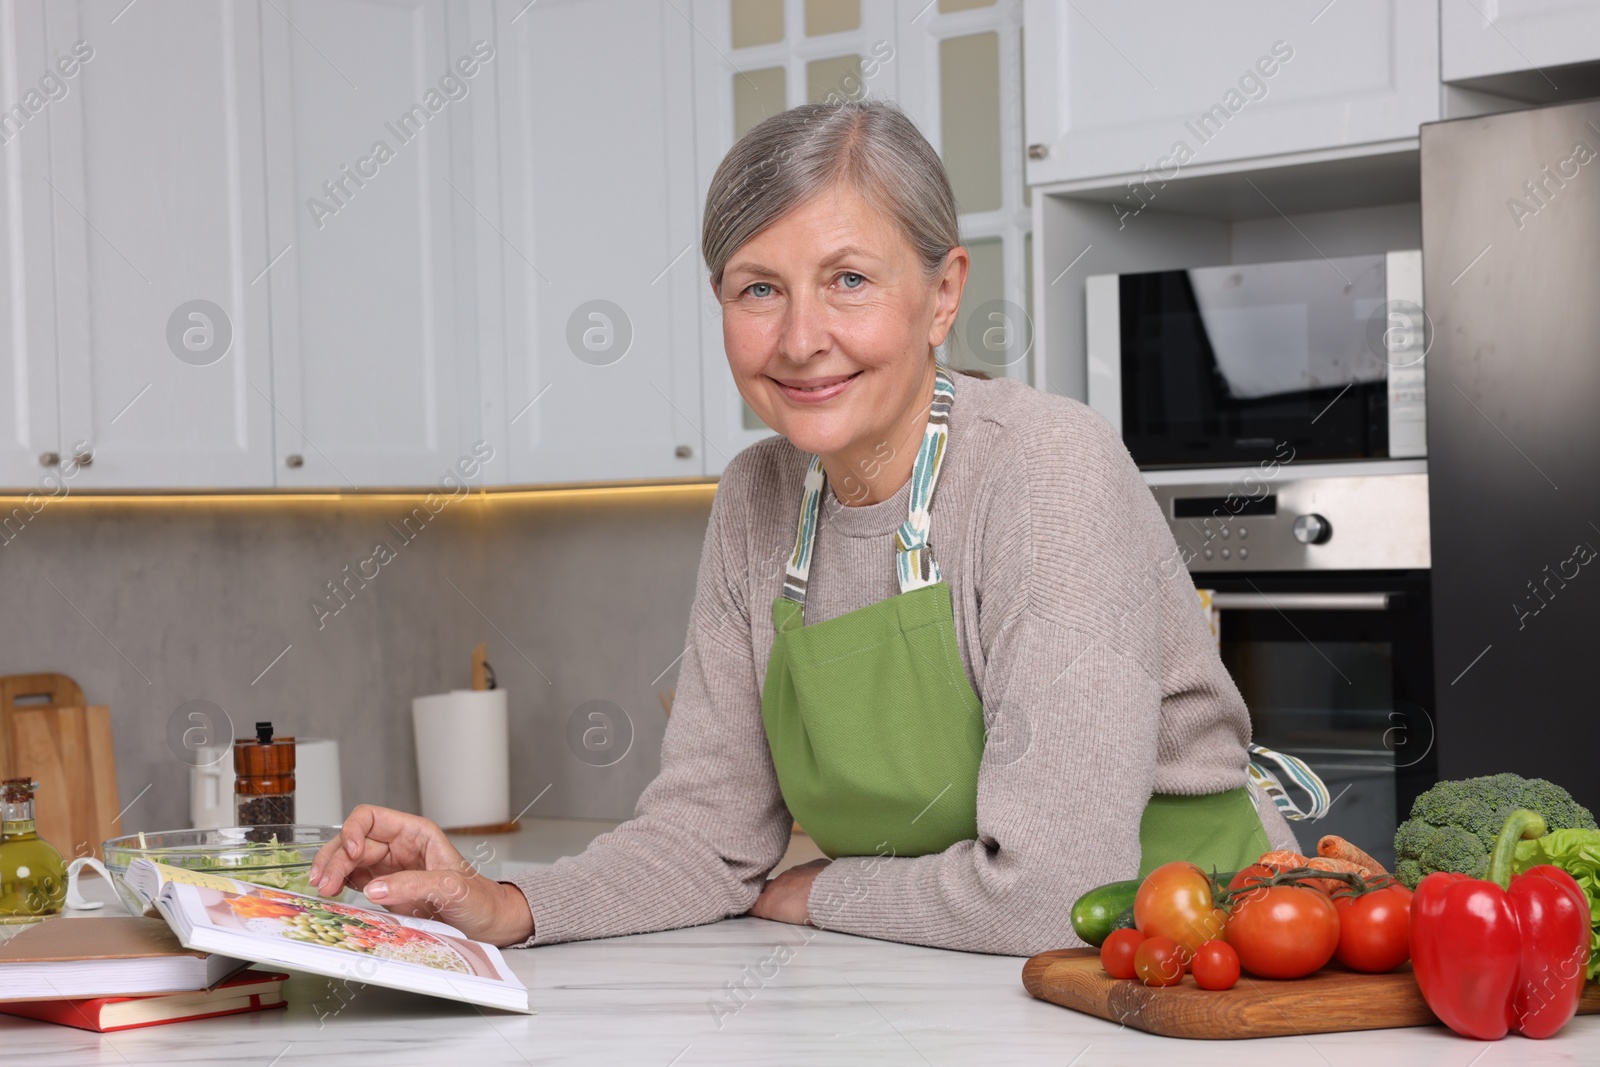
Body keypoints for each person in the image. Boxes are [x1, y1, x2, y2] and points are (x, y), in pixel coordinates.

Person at [309, 100, 1302, 956]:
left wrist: (822, 889)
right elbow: (707, 838)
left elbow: (1050, 891)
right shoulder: (756, 498)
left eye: (849, 280)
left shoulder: (1047, 471)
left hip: (1185, 966)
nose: (798, 339)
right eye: (758, 289)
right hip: (945, 981)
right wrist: (506, 903)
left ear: (943, 292)